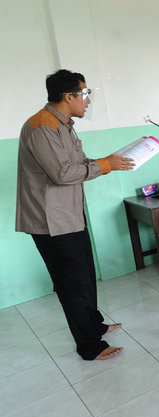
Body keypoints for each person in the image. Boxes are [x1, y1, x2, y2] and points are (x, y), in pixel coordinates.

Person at [16, 69, 135, 361]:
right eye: (85, 94)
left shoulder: (64, 124)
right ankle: (89, 346)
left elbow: (79, 163)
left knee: (84, 276)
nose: (87, 101)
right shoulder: (42, 126)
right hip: (51, 222)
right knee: (72, 283)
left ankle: (95, 326)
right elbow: (62, 173)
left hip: (69, 215)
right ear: (68, 96)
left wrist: (107, 161)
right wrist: (106, 165)